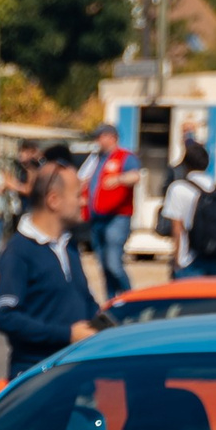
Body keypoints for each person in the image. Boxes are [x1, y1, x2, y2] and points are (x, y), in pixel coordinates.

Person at [0, 160, 105, 375]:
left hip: (71, 370)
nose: (84, 201)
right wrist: (66, 334)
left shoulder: (69, 246)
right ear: (53, 200)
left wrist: (108, 326)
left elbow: (85, 301)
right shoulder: (19, 251)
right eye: (77, 195)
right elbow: (6, 317)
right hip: (36, 375)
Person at [160, 139, 216, 279]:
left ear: (185, 164)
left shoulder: (178, 188)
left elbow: (177, 226)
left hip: (189, 258)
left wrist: (176, 258)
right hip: (215, 255)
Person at [78, 125, 134, 300]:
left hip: (117, 217)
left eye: (100, 137)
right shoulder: (96, 159)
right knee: (103, 265)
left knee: (113, 263)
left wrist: (118, 179)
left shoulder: (125, 157)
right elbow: (83, 179)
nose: (97, 141)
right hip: (97, 219)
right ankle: (112, 302)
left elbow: (136, 176)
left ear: (111, 137)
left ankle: (129, 298)